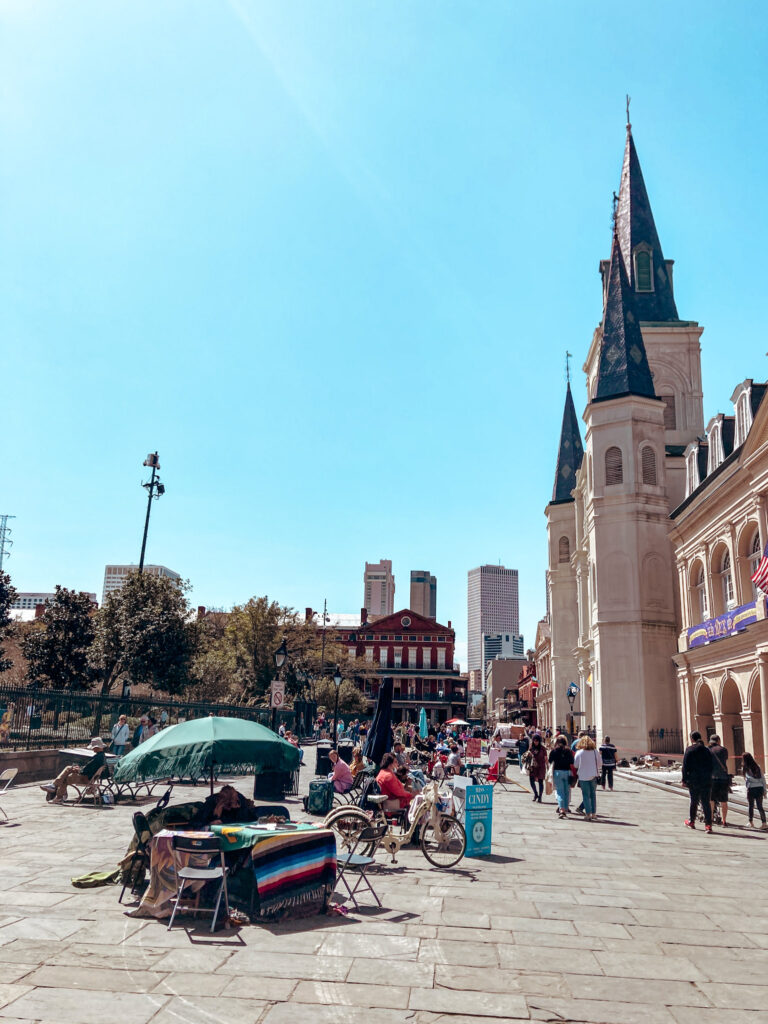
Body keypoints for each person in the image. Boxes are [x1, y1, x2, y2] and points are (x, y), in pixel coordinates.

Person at [40, 737, 109, 803]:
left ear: (96, 747)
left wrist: (79, 770)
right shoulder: (101, 756)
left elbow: (86, 770)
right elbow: (89, 768)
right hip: (90, 777)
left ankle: (58, 795)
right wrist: (79, 768)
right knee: (69, 768)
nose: (93, 749)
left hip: (85, 778)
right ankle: (54, 786)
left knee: (65, 777)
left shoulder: (97, 758)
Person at [682, 730, 714, 833]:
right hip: (706, 780)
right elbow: (711, 765)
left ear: (692, 739)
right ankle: (708, 825)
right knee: (706, 803)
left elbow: (685, 766)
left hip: (693, 780)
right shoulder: (707, 750)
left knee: (694, 801)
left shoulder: (689, 750)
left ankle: (692, 822)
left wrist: (684, 779)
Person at [191, 784, 255, 826]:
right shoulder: (211, 803)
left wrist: (236, 809)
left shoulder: (240, 801)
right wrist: (210, 823)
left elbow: (247, 819)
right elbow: (197, 821)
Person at [574, 736, 602, 820]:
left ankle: (588, 814)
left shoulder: (579, 752)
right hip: (593, 775)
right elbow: (600, 763)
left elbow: (575, 765)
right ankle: (593, 813)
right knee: (593, 795)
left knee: (586, 795)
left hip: (583, 776)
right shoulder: (595, 752)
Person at [548, 735, 575, 818]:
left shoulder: (554, 751)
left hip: (557, 772)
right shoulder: (569, 751)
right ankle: (566, 807)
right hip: (567, 772)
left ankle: (562, 809)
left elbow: (550, 760)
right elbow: (572, 761)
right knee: (567, 791)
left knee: (560, 791)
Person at [708, 734, 731, 826]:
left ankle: (710, 819)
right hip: (723, 778)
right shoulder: (724, 750)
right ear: (718, 740)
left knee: (711, 800)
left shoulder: (708, 750)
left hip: (712, 778)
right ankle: (724, 820)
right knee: (723, 801)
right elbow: (725, 759)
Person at [742, 751, 767, 829]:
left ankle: (751, 822)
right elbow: (763, 779)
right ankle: (764, 823)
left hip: (751, 789)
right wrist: (764, 790)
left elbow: (747, 780)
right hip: (759, 788)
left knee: (751, 806)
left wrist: (747, 787)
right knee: (760, 806)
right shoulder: (757, 766)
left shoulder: (745, 768)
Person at [527, 734, 548, 803]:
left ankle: (540, 797)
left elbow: (545, 758)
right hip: (533, 767)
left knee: (540, 782)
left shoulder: (542, 748)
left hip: (541, 767)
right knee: (531, 780)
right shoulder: (531, 747)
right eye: (534, 741)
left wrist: (547, 766)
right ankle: (536, 794)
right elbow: (528, 755)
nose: (536, 742)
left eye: (537, 741)